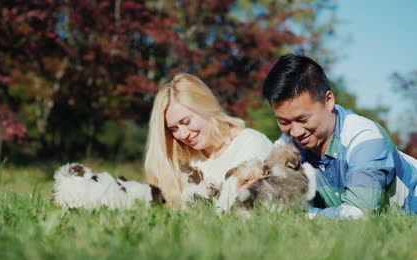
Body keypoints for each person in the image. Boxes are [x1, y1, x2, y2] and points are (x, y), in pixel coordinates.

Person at [262, 53, 417, 218]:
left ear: (328, 100)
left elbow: (359, 214)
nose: (295, 132)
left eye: (303, 119)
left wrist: (300, 216)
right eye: (284, 122)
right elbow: (268, 205)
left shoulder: (366, 140)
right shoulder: (285, 148)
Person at [144, 73, 273, 205]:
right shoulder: (185, 162)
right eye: (174, 129)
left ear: (205, 107)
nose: (183, 134)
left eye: (186, 121)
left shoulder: (250, 143)